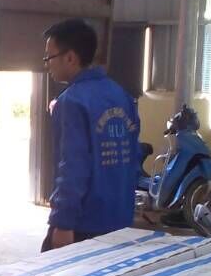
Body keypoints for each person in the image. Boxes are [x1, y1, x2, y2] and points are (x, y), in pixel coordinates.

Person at [41, 18, 140, 251]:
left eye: (49, 57)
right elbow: (134, 159)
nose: (47, 65)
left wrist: (63, 223)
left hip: (83, 224)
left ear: (70, 57)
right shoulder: (122, 96)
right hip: (120, 220)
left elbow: (73, 167)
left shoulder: (71, 101)